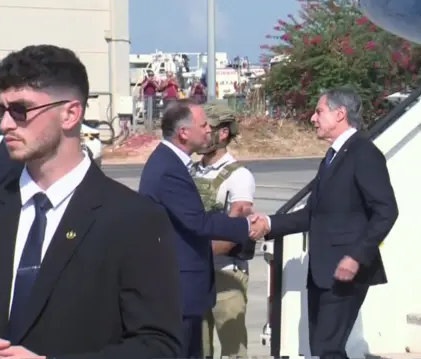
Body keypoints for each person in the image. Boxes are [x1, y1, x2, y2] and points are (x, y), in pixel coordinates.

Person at [0, 45, 182, 358]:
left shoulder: (133, 219)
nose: (5, 124)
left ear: (71, 113)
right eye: (0, 111)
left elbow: (158, 346)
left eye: (20, 110)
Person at [252, 87, 399, 359]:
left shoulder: (363, 153)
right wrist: (269, 224)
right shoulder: (332, 157)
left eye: (319, 111)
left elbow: (386, 211)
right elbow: (313, 214)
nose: (312, 118)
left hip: (346, 269)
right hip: (322, 272)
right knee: (322, 348)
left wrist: (356, 256)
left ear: (340, 114)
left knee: (328, 349)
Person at [138, 98, 267, 358]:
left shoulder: (175, 164)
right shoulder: (170, 169)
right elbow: (198, 222)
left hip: (211, 275)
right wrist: (247, 226)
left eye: (211, 125)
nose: (207, 130)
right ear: (184, 132)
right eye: (202, 124)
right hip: (181, 284)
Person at [194, 104, 256, 358]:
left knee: (233, 351)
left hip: (226, 275)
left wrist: (196, 257)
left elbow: (234, 230)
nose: (202, 133)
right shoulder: (191, 171)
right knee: (197, 348)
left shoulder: (239, 176)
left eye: (208, 128)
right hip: (196, 273)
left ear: (223, 134)